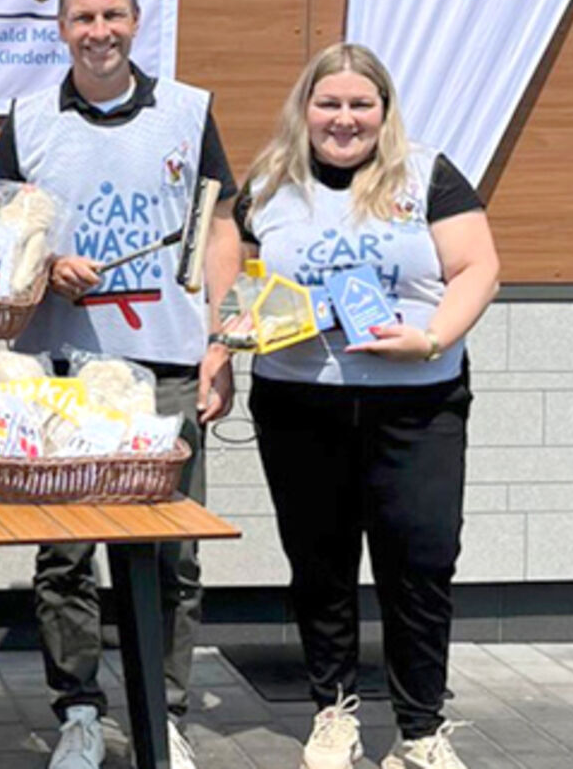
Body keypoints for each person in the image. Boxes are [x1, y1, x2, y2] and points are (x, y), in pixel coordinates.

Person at [0, 0, 240, 769]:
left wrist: (220, 342)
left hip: (164, 364)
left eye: (112, 17)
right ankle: (80, 711)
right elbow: (4, 245)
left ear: (137, 22)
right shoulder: (26, 120)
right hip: (59, 369)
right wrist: (41, 269)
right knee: (64, 553)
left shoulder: (189, 112)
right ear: (60, 29)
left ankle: (159, 710)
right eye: (82, 19)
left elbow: (220, 230)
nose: (98, 33)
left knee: (171, 553)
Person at [234, 42, 499, 769]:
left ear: (384, 111)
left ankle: (419, 732)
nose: (344, 119)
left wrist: (433, 336)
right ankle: (334, 713)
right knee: (319, 564)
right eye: (330, 104)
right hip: (300, 403)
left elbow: (480, 266)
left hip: (418, 404)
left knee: (420, 562)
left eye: (360, 104)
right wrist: (227, 332)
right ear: (305, 108)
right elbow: (234, 269)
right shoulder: (268, 182)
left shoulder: (429, 174)